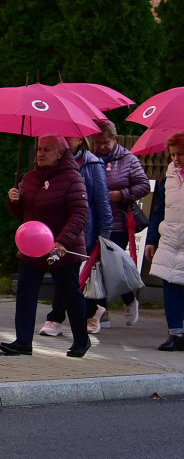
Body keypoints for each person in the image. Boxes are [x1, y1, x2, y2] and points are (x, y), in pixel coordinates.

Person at [3, 135, 90, 357]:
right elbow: (22, 214)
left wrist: (62, 241)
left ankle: (82, 340)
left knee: (70, 293)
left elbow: (80, 213)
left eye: (47, 150)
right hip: (32, 246)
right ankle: (23, 341)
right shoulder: (30, 178)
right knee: (26, 293)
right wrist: (14, 201)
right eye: (39, 149)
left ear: (61, 153)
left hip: (61, 247)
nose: (41, 153)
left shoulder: (72, 178)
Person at [39, 136, 113, 337]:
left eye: (69, 138)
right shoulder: (52, 164)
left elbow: (101, 199)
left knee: (69, 276)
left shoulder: (92, 164)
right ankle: (91, 311)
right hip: (56, 230)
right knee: (67, 277)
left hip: (83, 232)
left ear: (80, 140)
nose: (64, 140)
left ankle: (55, 318)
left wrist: (105, 234)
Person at [93, 119, 150, 327]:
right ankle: (99, 312)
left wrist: (121, 194)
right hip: (94, 221)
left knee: (113, 267)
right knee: (94, 267)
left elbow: (143, 185)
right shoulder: (91, 159)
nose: (100, 147)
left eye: (105, 143)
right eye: (97, 142)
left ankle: (129, 299)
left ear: (114, 139)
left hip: (118, 222)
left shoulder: (128, 159)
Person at [144, 132, 184, 351]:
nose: (176, 159)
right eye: (172, 155)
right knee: (170, 284)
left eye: (180, 154)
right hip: (170, 238)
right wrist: (151, 239)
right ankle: (175, 334)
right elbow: (159, 209)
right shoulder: (169, 175)